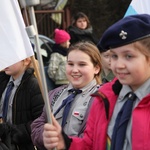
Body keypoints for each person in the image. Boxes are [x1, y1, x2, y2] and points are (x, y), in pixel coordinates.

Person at [42, 14, 150, 150]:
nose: (118, 65)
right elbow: (91, 143)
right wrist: (66, 143)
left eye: (128, 56)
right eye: (114, 56)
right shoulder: (103, 98)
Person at [31, 41, 102, 149]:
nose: (74, 70)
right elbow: (38, 124)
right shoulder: (55, 94)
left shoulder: (101, 98)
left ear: (96, 68)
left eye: (82, 64)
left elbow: (95, 139)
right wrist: (45, 136)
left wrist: (66, 143)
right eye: (70, 64)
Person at [0, 57, 44, 150]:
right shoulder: (4, 80)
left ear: (26, 61)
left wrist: (11, 132)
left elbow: (40, 122)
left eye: (11, 58)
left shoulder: (34, 86)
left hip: (21, 145)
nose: (5, 62)